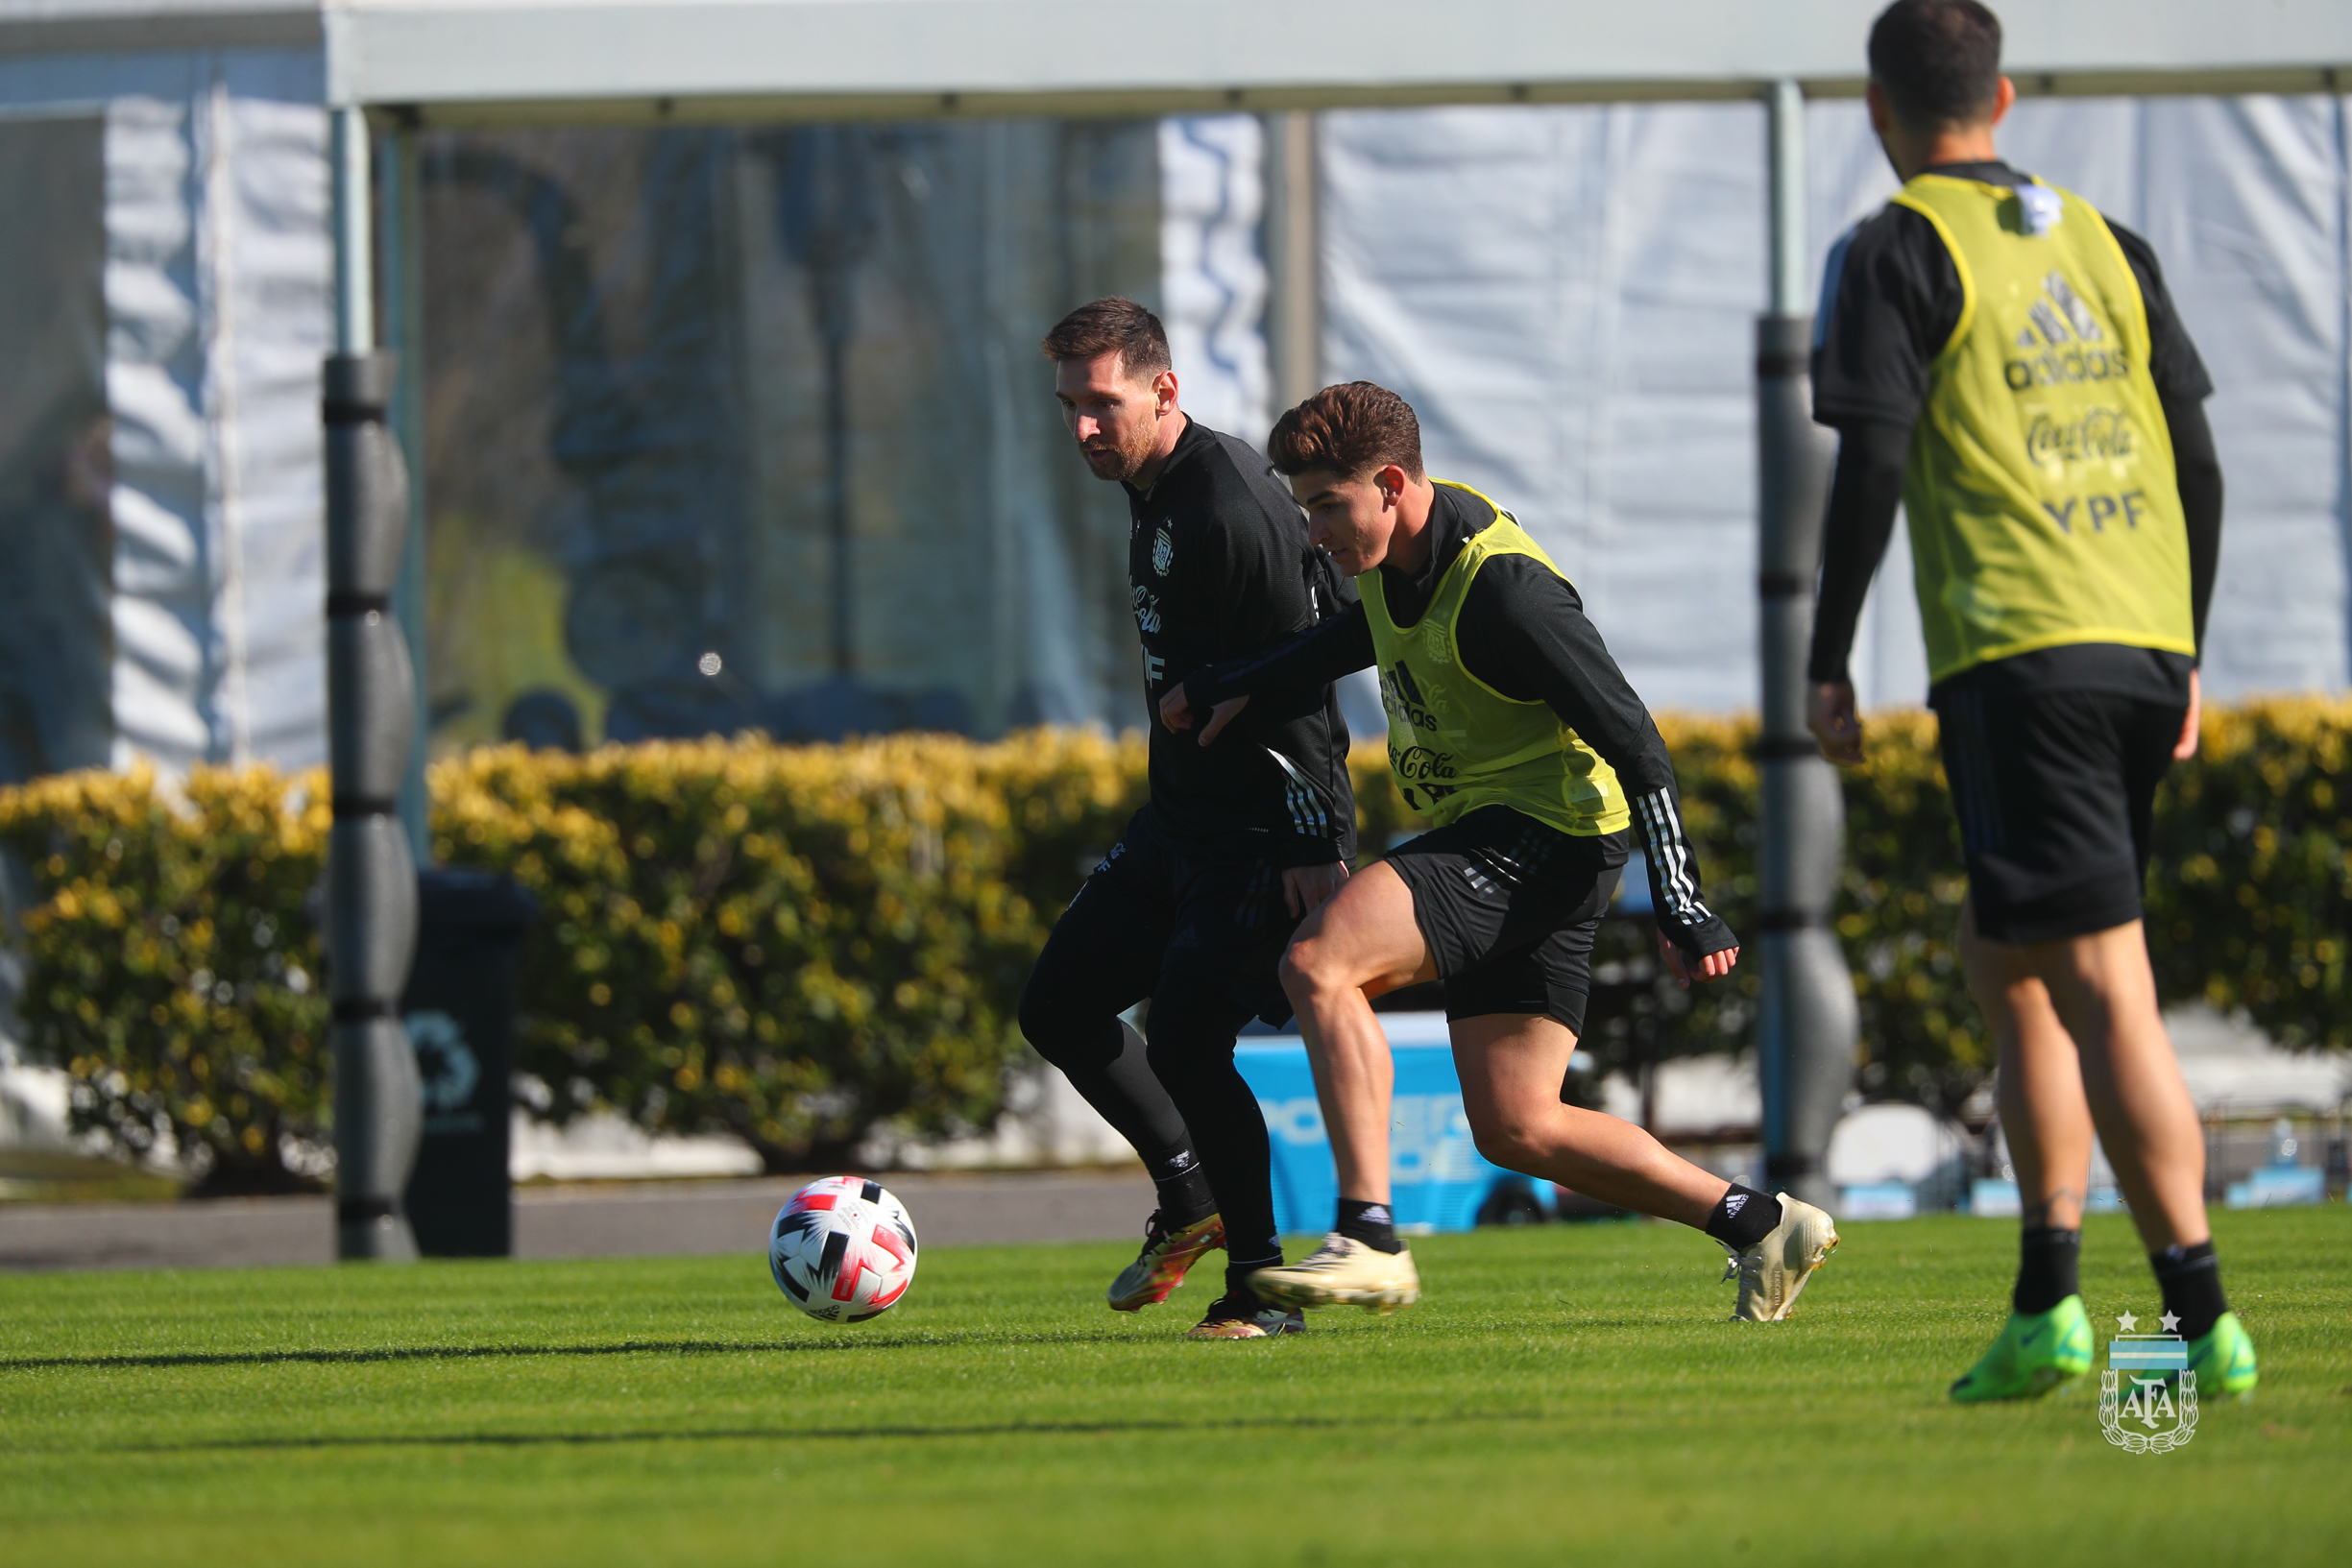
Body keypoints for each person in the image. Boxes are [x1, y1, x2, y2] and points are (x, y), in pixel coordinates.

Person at [1161, 381, 1840, 1323]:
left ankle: (1369, 1236)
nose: (1313, 531)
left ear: (1390, 483)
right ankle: (1761, 1224)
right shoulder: (1397, 552)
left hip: (1543, 838)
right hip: (1512, 836)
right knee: (1518, 1124)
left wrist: (1681, 900)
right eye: (1303, 506)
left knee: (1319, 962)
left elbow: (1638, 744)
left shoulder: (1508, 593)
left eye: (1326, 505)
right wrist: (1233, 679)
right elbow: (1359, 634)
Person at [1806, 0, 2254, 1400]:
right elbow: (2198, 463)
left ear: (1877, 110)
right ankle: (2047, 1299)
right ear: (2000, 99)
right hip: (2137, 640)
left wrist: (1827, 654)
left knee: (2101, 979)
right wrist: (2184, 650)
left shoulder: (1893, 249)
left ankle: (2198, 1317)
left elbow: (1873, 463)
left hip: (2021, 650)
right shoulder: (2110, 245)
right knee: (2002, 953)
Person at [1020, 298, 1358, 1339]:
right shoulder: (1154, 488)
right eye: (1069, 405)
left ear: (1164, 389)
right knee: (1060, 1006)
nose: (1083, 426)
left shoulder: (1229, 503)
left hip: (1260, 831)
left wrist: (1313, 840)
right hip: (1178, 822)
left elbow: (1310, 676)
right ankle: (1190, 1197)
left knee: (1186, 1039)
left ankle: (1258, 1288)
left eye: (1101, 403)